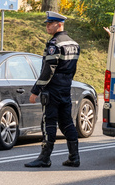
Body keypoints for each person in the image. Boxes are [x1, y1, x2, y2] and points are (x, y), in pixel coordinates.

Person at [25, 12, 82, 168]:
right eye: (47, 23)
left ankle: (44, 158)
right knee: (67, 123)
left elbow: (48, 70)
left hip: (53, 90)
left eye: (50, 23)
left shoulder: (55, 44)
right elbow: (72, 69)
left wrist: (36, 90)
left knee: (48, 122)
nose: (47, 26)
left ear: (59, 24)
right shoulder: (74, 44)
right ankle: (74, 157)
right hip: (65, 88)